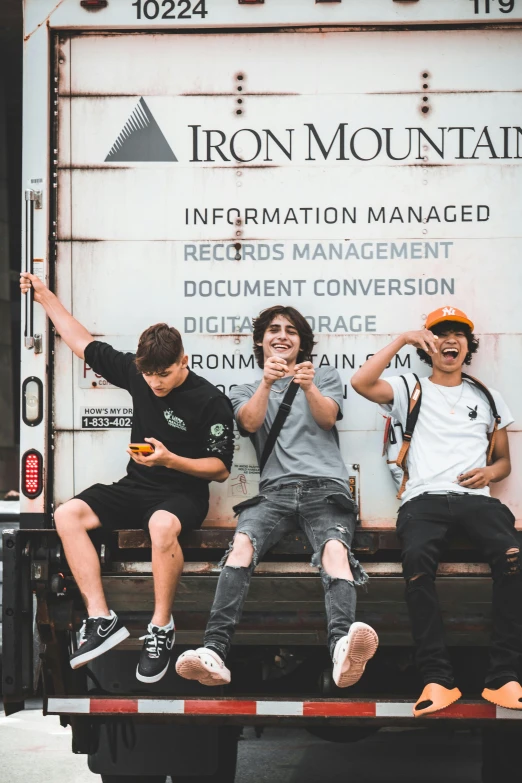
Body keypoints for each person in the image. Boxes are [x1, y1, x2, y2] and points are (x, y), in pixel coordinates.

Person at [20, 272, 234, 683]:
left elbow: (220, 469)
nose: (155, 383)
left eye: (165, 375)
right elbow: (80, 340)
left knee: (159, 524)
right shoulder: (138, 374)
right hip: (137, 486)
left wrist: (171, 460)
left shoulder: (210, 400)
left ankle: (160, 627)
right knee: (68, 515)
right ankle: (102, 619)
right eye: (149, 375)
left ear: (183, 361)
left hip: (183, 494)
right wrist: (45, 296)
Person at [176, 305, 378, 688]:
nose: (282, 336)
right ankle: (215, 652)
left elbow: (327, 419)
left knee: (335, 550)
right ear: (261, 340)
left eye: (291, 331)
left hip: (326, 488)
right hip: (274, 492)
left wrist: (308, 385)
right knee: (241, 546)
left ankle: (341, 649)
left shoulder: (325, 376)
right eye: (274, 330)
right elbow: (249, 424)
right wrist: (269, 384)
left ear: (302, 344)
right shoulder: (245, 390)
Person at [351, 306, 522, 714]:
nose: (451, 340)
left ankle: (505, 678)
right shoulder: (409, 387)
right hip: (423, 500)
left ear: (468, 345)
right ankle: (437, 679)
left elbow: (504, 462)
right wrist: (403, 338)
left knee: (513, 558)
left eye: (459, 334)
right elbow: (360, 382)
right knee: (417, 565)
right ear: (429, 345)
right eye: (440, 333)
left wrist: (489, 473)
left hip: (476, 501)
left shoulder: (486, 396)